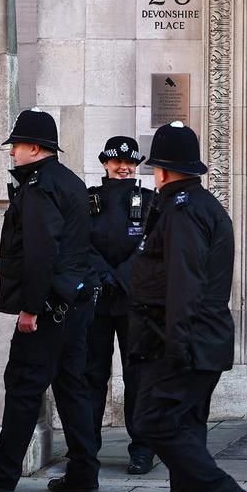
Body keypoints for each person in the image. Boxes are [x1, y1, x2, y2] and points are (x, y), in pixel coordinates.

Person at [128, 121, 247, 492]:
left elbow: (185, 283)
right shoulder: (194, 204)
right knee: (185, 428)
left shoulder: (183, 212)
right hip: (194, 338)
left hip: (184, 340)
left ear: (161, 170)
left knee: (152, 421)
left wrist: (177, 346)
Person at [0, 109, 101, 492]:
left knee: (22, 385)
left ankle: (0, 475)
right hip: (75, 302)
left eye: (16, 145)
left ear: (34, 147)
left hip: (49, 306)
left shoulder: (39, 187)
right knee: (72, 386)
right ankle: (84, 472)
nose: (12, 152)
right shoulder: (71, 182)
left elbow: (40, 251)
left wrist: (30, 308)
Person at [86, 135, 156, 474]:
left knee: (138, 377)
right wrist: (105, 275)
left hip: (134, 300)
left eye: (130, 162)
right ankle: (86, 448)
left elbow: (152, 243)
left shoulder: (151, 201)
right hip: (98, 301)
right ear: (105, 163)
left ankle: (142, 448)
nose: (124, 167)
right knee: (91, 377)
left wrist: (122, 276)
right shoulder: (88, 200)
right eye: (117, 162)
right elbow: (79, 242)